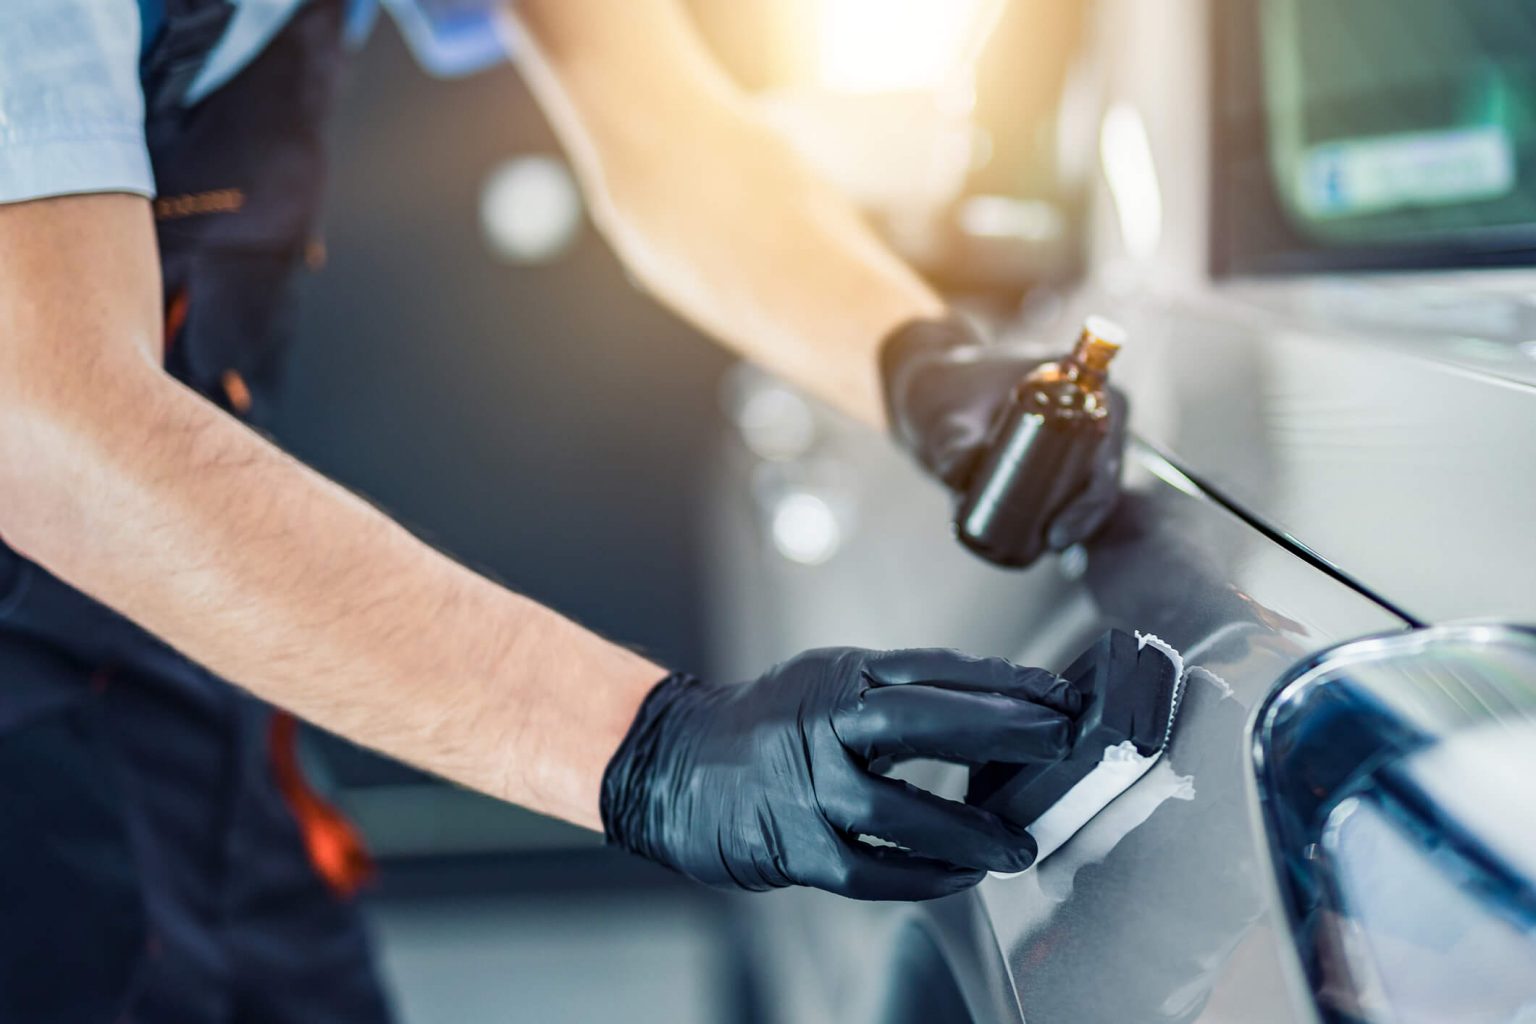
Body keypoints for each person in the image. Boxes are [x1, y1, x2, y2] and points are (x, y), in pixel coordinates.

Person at [0, 0, 1123, 1019]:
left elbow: (662, 130)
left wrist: (916, 365)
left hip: (168, 655)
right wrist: (649, 750)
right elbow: (48, 420)